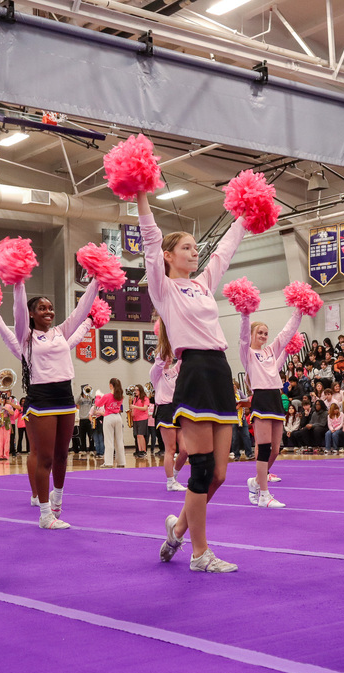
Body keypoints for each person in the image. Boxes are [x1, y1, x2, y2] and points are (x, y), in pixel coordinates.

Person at [139, 185, 244, 573]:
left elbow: (226, 250)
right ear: (168, 256)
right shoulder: (163, 288)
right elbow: (150, 240)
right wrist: (139, 196)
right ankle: (201, 554)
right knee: (200, 469)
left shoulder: (202, 285)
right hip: (194, 372)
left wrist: (246, 213)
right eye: (186, 247)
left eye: (195, 247)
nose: (194, 251)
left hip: (220, 371)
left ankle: (178, 528)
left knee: (218, 474)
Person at [0, 279, 98, 524]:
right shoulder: (25, 337)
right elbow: (14, 318)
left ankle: (57, 503)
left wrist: (97, 281)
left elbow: (80, 312)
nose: (48, 311)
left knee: (62, 456)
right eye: (42, 308)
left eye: (50, 308)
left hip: (66, 397)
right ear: (31, 314)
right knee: (45, 457)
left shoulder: (61, 332)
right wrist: (18, 282)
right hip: (42, 399)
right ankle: (45, 514)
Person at [238, 304, 304, 508]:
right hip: (261, 398)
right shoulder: (247, 352)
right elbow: (242, 336)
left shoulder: (271, 351)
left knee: (276, 449)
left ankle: (257, 481)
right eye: (260, 332)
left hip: (276, 398)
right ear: (252, 334)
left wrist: (299, 311)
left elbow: (287, 333)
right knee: (264, 448)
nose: (264, 335)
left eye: (266, 333)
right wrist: (245, 314)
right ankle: (264, 495)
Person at [151, 327, 188, 492]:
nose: (168, 357)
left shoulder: (175, 371)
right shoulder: (156, 374)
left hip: (177, 410)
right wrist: (165, 338)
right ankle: (170, 481)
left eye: (170, 355)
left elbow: (183, 358)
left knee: (185, 450)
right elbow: (159, 359)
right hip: (165, 409)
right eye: (166, 355)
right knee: (171, 448)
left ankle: (173, 475)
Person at [94, 379, 126, 468]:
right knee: (119, 440)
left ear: (111, 385)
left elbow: (98, 404)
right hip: (118, 417)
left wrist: (98, 396)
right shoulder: (120, 396)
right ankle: (121, 462)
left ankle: (108, 462)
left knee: (109, 441)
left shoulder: (107, 396)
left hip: (109, 417)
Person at [129, 385, 151, 459]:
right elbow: (134, 408)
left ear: (140, 390)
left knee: (141, 435)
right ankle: (139, 450)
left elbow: (145, 408)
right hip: (136, 419)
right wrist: (132, 412)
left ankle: (144, 451)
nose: (135, 391)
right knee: (137, 436)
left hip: (142, 418)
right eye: (135, 390)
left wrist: (134, 407)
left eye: (136, 390)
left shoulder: (145, 398)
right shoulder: (135, 398)